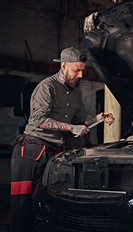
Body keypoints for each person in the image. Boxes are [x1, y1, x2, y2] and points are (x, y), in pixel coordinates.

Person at [10, 47, 114, 232]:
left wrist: (99, 118)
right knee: (23, 203)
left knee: (44, 201)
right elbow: (40, 121)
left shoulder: (76, 92)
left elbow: (80, 119)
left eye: (83, 70)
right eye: (77, 70)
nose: (81, 75)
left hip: (54, 151)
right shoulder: (47, 87)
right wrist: (71, 128)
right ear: (64, 66)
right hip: (33, 150)